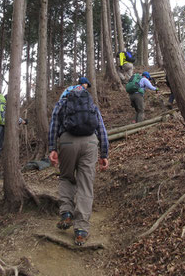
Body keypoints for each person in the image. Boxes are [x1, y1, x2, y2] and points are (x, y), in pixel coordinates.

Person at [48, 76, 109, 246]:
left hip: (67, 141)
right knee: (85, 184)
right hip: (90, 143)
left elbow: (54, 125)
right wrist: (104, 153)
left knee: (67, 177)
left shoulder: (62, 104)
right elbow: (101, 129)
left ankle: (66, 213)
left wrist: (52, 148)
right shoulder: (91, 106)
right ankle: (81, 230)